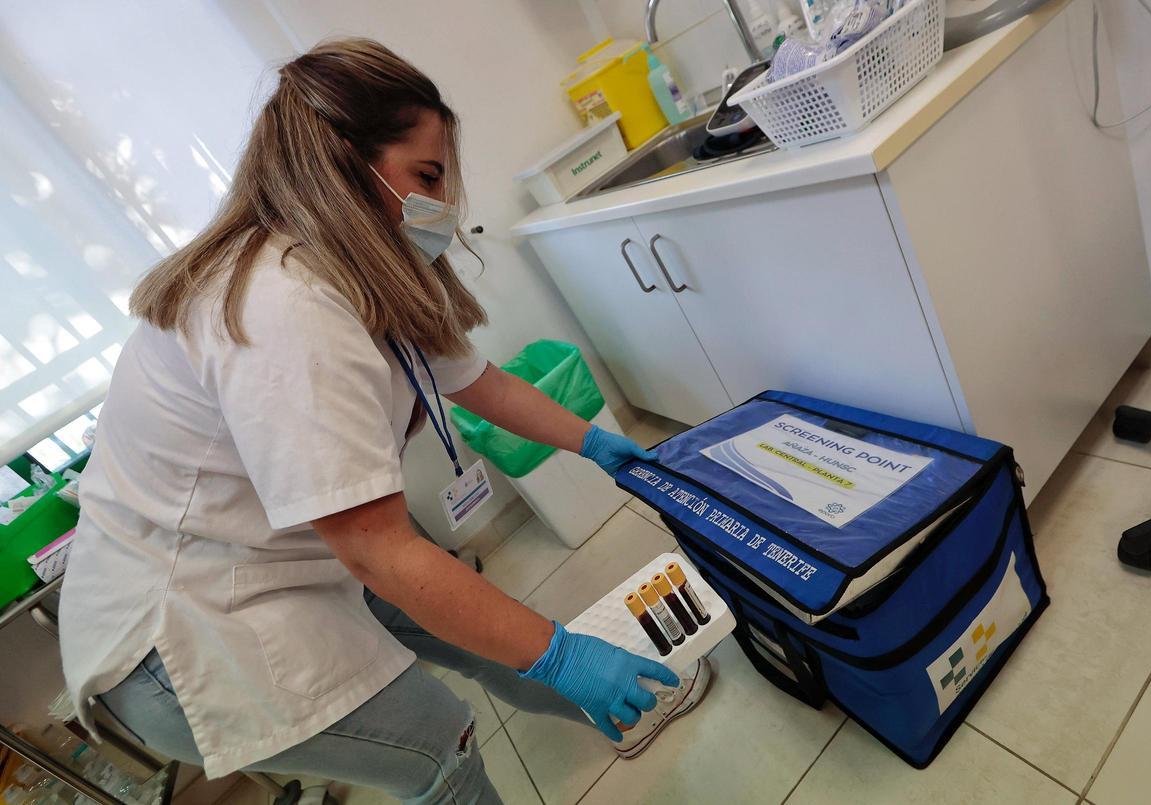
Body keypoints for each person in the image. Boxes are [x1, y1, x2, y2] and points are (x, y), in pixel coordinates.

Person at [58, 38, 711, 804]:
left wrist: (600, 443)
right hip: (190, 630)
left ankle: (618, 709)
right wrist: (563, 654)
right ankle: (585, 688)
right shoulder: (282, 302)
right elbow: (382, 553)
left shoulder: (352, 276)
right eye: (425, 177)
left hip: (292, 559)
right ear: (341, 159)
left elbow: (484, 384)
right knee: (441, 740)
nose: (439, 208)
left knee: (487, 634)